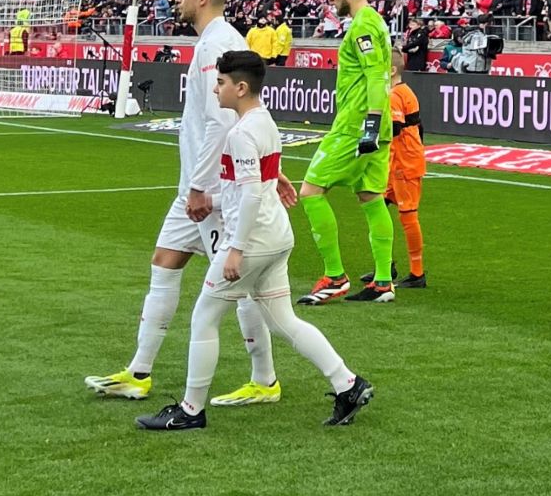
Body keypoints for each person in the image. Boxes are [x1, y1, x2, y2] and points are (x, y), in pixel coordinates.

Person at [136, 51, 373, 431]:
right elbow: (251, 187)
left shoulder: (241, 134)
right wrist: (217, 200)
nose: (216, 90)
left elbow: (248, 195)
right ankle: (347, 383)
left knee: (204, 317)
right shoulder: (263, 122)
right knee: (284, 321)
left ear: (240, 87)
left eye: (222, 83)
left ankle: (191, 409)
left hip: (254, 242)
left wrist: (235, 249)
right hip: (277, 237)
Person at [85, 0, 280, 406]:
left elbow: (220, 121)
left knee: (240, 285)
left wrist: (200, 186)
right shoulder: (212, 42)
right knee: (164, 262)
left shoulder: (220, 44)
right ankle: (138, 372)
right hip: (194, 185)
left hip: (212, 191)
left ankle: (265, 379)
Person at [297, 0, 398, 305]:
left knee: (310, 190)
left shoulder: (363, 24)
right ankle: (383, 281)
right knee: (370, 196)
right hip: (377, 124)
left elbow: (373, 75)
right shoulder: (377, 22)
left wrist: (368, 121)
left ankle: (335, 275)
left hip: (356, 124)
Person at [386, 50, 427, 289]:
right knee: (378, 205)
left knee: (408, 215)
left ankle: (417, 273)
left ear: (391, 70)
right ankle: (385, 264)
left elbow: (394, 128)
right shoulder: (402, 92)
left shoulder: (395, 95)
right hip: (397, 162)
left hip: (404, 163)